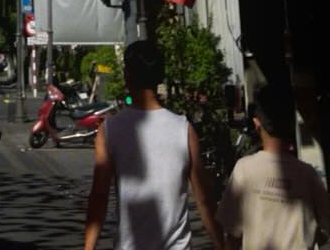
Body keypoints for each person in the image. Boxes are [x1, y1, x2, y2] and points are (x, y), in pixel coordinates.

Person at [83, 39, 224, 250]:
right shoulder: (183, 130)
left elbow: (99, 197)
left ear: (127, 75)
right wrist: (221, 244)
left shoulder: (110, 130)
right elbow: (203, 199)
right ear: (160, 77)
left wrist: (89, 247)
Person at [218, 90, 330, 249]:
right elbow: (327, 230)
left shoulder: (244, 169)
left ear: (256, 123)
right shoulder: (308, 174)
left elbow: (232, 235)